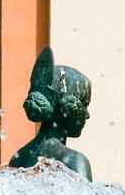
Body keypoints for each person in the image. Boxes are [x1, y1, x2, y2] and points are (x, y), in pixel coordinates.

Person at [9, 46, 92, 180]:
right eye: (85, 104)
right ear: (70, 107)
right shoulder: (75, 161)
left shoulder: (19, 158)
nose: (87, 115)